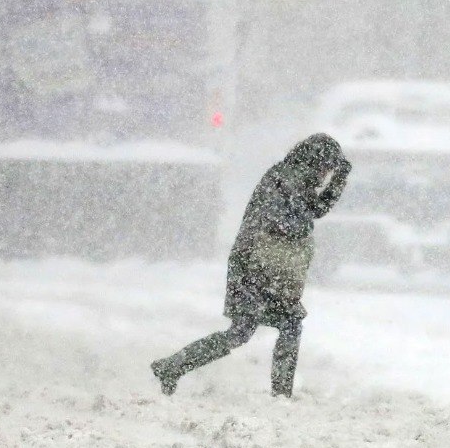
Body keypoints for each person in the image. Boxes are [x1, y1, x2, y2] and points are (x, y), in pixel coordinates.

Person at [151, 133, 352, 397]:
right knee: (259, 328)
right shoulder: (286, 180)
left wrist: (339, 181)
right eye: (327, 168)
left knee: (264, 328)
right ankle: (279, 393)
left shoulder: (292, 178)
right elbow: (297, 219)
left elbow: (314, 210)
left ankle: (173, 367)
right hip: (255, 268)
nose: (326, 175)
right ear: (317, 162)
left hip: (265, 267)